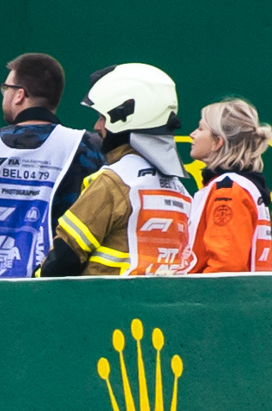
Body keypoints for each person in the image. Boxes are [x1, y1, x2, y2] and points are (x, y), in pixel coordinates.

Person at [0, 51, 105, 281]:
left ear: (19, 95)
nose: (3, 95)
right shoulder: (86, 146)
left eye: (5, 88)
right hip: (55, 286)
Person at [53, 64, 194, 275]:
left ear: (124, 115)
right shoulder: (180, 191)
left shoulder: (113, 182)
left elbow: (65, 256)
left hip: (103, 304)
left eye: (102, 117)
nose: (97, 126)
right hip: (159, 306)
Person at [182, 100, 272, 273]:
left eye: (201, 128)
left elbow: (225, 267)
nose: (192, 134)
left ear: (217, 142)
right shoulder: (240, 185)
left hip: (216, 298)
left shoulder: (227, 190)